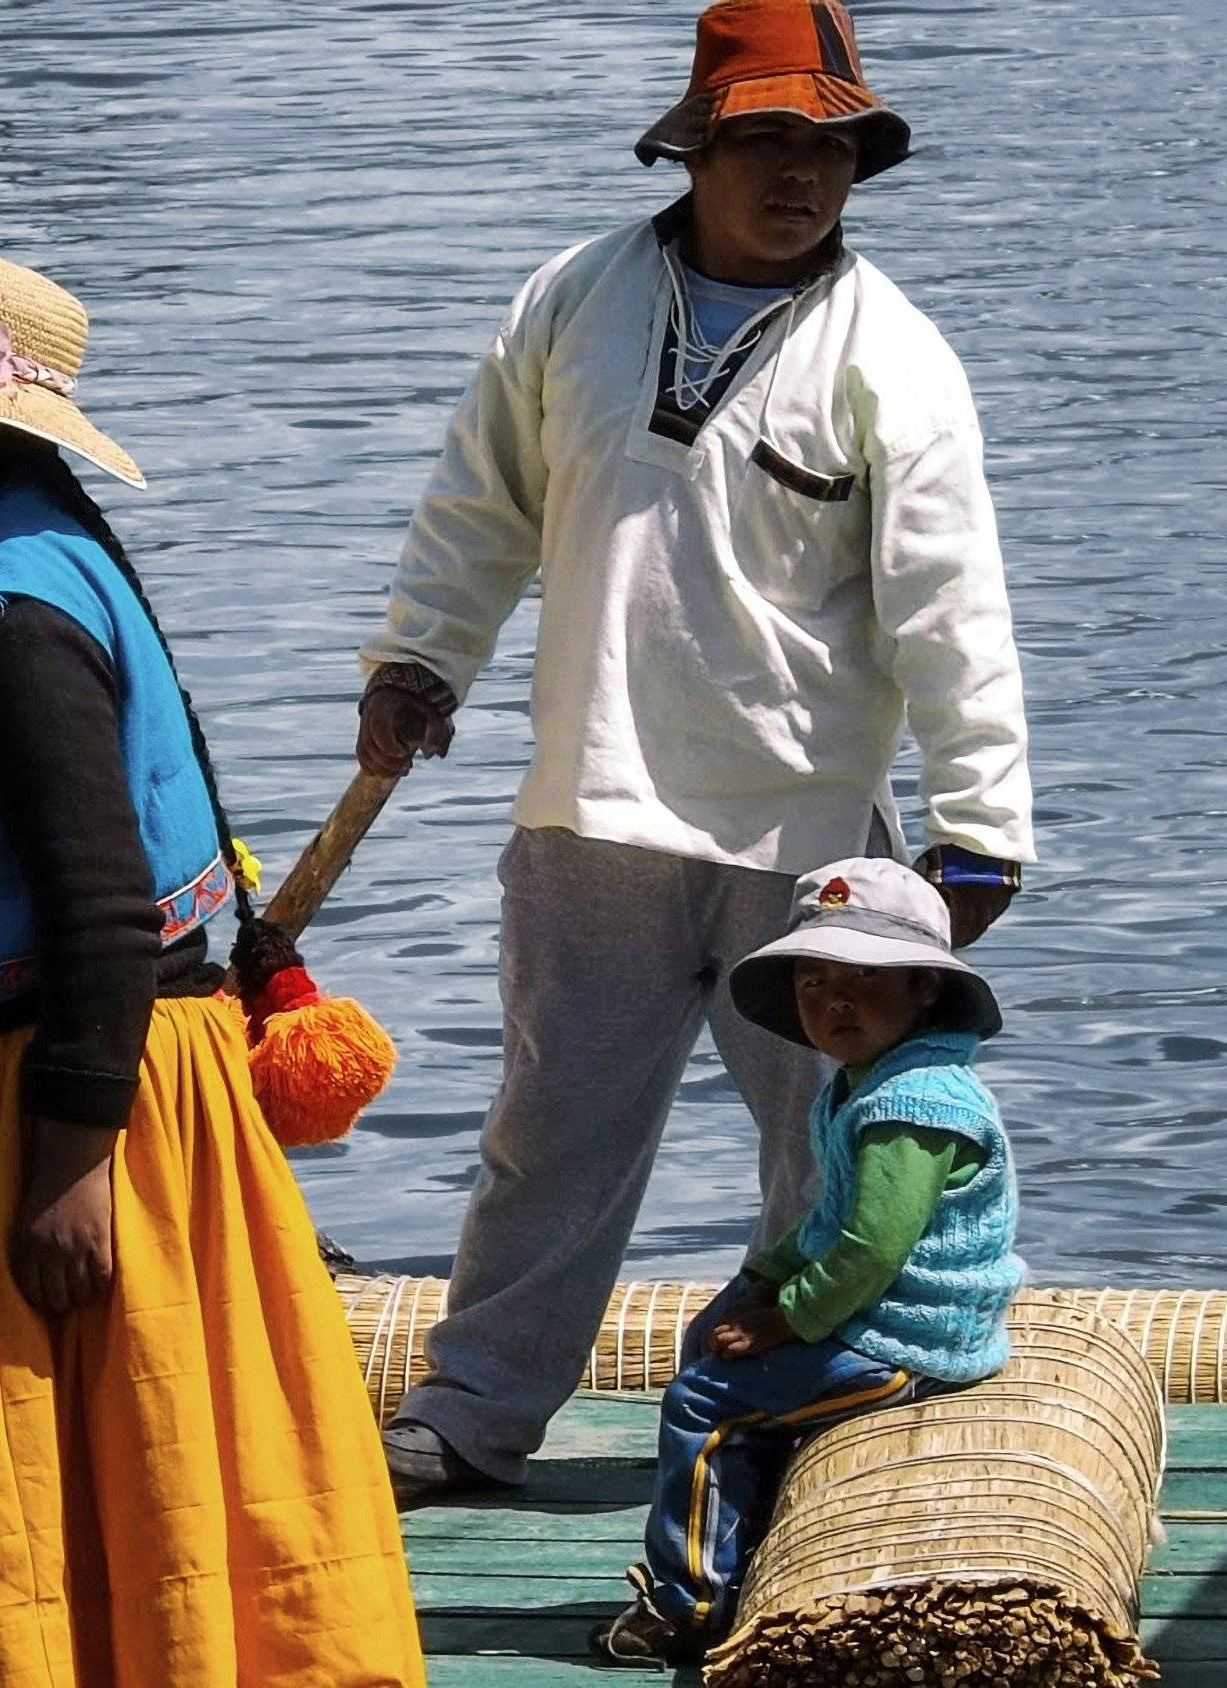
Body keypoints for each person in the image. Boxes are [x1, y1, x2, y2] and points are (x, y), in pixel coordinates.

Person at [361, 0, 1034, 1501]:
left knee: (832, 1156)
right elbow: (485, 501)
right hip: (585, 810)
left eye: (832, 148)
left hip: (806, 849)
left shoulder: (896, 358)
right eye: (772, 141)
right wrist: (421, 656)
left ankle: (820, 1411)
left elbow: (952, 601)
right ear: (700, 146)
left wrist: (979, 821)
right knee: (550, 1137)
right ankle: (471, 1416)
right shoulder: (575, 299)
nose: (803, 175)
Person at [0, 233, 423, 1687]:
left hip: (67, 1106)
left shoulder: (3, 614)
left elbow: (98, 898)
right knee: (125, 1473)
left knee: (39, 1486)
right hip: (76, 1084)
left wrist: (67, 1160)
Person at [594, 857, 1023, 1667]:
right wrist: (760, 1280)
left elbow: (871, 1249)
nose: (835, 1001)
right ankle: (739, 1538)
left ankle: (689, 1606)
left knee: (703, 1403)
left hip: (912, 1335)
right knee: (707, 1338)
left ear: (925, 989)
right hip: (878, 1311)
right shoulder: (868, 1083)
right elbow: (829, 1221)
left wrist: (788, 1318)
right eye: (814, 982)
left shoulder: (913, 1106)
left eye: (864, 978)